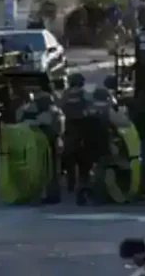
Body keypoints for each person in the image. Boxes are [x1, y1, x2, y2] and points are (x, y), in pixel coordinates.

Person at [59, 73, 93, 201]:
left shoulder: (66, 94)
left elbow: (60, 107)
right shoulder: (85, 94)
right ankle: (84, 183)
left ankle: (71, 184)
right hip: (83, 130)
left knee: (69, 159)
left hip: (69, 130)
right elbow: (91, 108)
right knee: (84, 161)